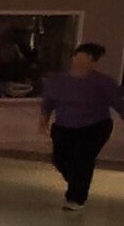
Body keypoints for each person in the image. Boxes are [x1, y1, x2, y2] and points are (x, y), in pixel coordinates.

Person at [39, 42, 124, 211]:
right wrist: (44, 120)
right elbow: (49, 102)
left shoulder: (104, 82)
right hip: (64, 126)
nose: (82, 61)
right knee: (60, 159)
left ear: (94, 63)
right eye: (80, 57)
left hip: (94, 127)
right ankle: (77, 182)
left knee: (83, 159)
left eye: (88, 59)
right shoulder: (59, 80)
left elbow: (118, 103)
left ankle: (75, 198)